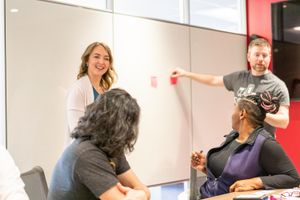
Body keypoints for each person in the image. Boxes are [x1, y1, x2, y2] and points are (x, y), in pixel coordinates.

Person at [191, 91, 299, 199]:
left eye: (234, 109)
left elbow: (293, 178)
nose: (231, 114)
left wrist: (256, 182)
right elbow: (227, 175)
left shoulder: (265, 143)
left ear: (242, 113)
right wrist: (206, 166)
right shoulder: (233, 136)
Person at [171, 38, 289, 135]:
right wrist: (185, 73)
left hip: (262, 145)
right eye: (256, 54)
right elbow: (213, 80)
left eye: (264, 55)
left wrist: (261, 113)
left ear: (269, 57)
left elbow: (284, 121)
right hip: (237, 141)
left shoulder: (277, 86)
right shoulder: (238, 77)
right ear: (249, 57)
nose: (260, 59)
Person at [48, 88, 150, 200]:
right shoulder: (87, 153)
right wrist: (139, 195)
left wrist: (141, 194)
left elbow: (142, 189)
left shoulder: (110, 146)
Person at [66, 42, 117, 136]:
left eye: (106, 58)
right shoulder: (78, 89)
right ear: (87, 60)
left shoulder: (106, 91)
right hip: (83, 149)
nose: (101, 62)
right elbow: (77, 131)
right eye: (96, 57)